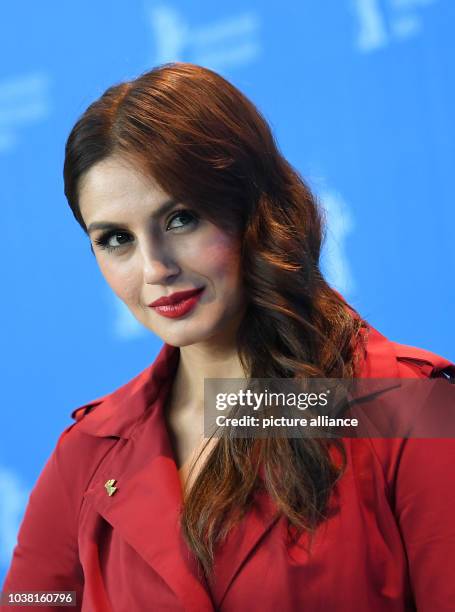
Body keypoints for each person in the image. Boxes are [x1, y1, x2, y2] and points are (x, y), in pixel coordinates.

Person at [2, 62, 455, 612]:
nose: (154, 268)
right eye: (116, 238)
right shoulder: (89, 453)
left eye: (180, 219)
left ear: (254, 208)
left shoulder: (411, 406)